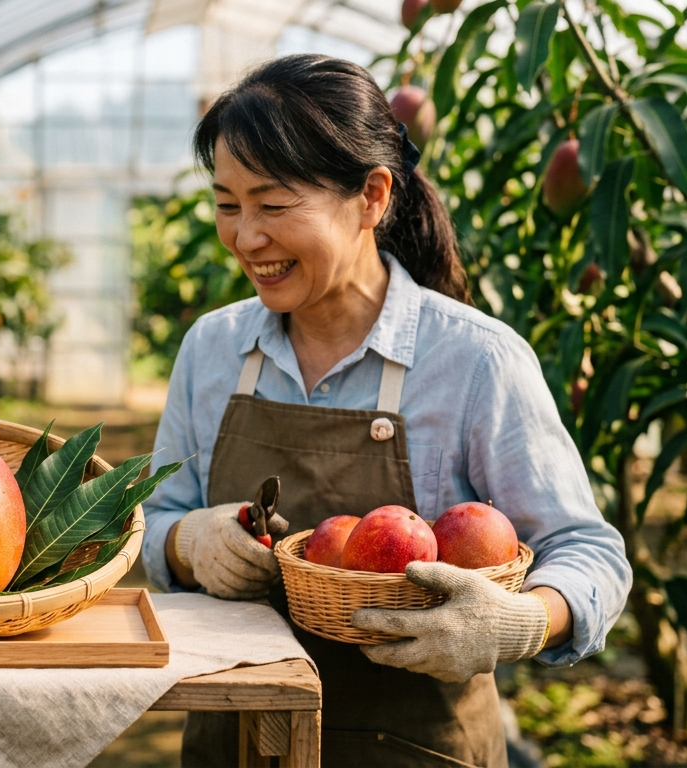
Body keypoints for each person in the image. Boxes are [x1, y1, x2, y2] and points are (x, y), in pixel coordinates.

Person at [142, 54, 630, 768]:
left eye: (273, 205)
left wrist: (523, 622)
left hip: (419, 749)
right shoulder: (212, 348)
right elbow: (153, 520)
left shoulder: (474, 361)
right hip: (236, 744)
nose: (246, 237)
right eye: (227, 204)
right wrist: (189, 539)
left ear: (372, 196)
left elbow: (589, 552)